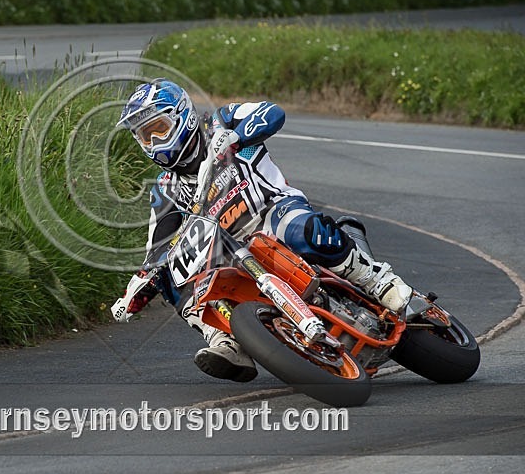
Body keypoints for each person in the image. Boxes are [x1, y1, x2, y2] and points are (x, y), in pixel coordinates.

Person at [111, 78, 412, 383]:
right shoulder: (164, 191)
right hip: (230, 253)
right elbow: (158, 247)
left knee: (298, 229)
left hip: (273, 214)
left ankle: (377, 280)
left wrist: (236, 138)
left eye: (158, 129)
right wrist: (137, 287)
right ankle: (225, 341)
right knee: (170, 277)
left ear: (182, 116)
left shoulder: (221, 121)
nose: (153, 142)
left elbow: (272, 112)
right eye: (144, 137)